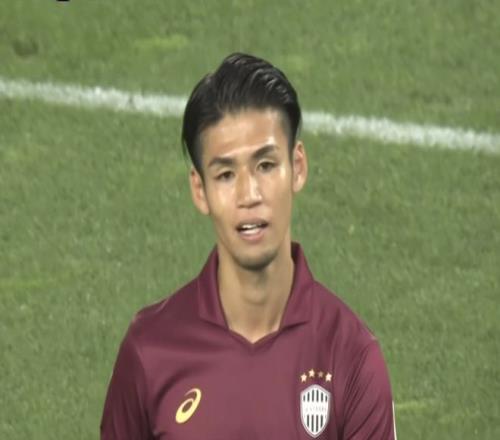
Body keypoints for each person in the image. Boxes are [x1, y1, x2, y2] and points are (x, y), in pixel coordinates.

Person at [100, 52, 397, 439]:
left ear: (298, 167)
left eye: (266, 166)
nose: (249, 194)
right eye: (225, 174)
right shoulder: (149, 350)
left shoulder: (351, 357)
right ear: (199, 190)